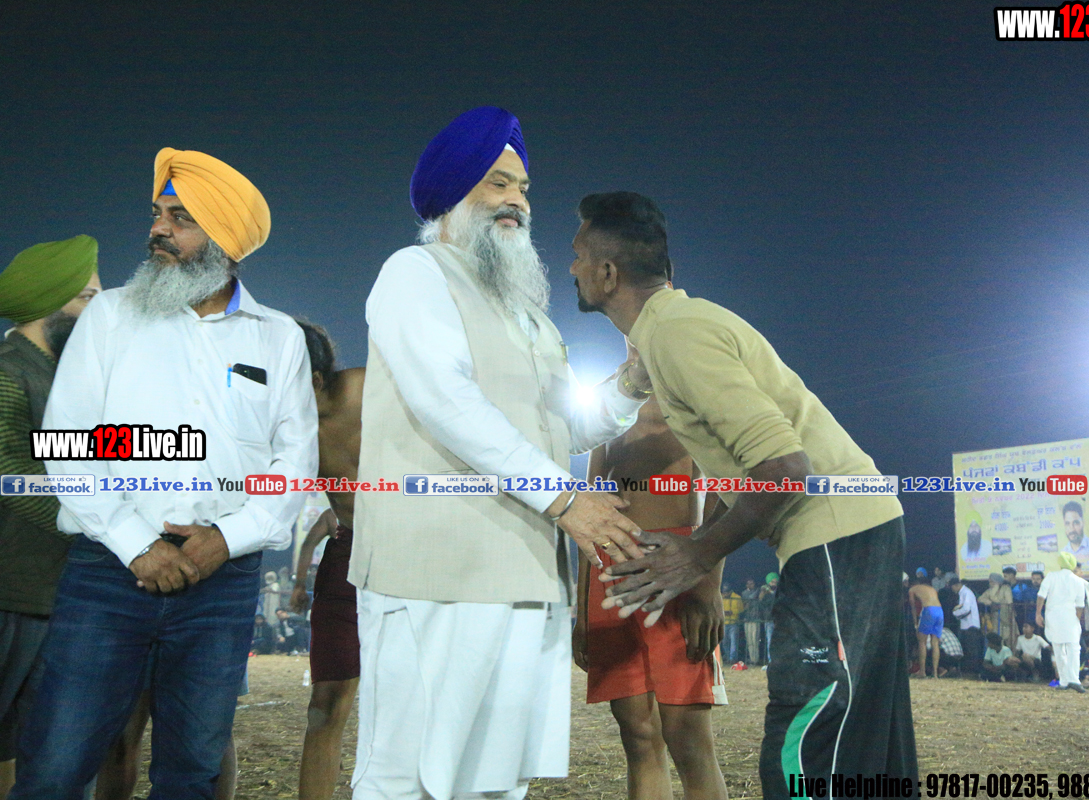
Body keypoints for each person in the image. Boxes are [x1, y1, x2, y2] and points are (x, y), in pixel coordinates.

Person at [349, 107, 650, 800]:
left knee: (496, 784)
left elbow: (559, 429)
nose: (517, 200)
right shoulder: (415, 273)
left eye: (523, 188)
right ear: (452, 194)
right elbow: (444, 401)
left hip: (524, 574)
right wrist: (565, 498)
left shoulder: (527, 314)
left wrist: (629, 387)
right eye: (497, 183)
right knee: (407, 779)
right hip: (433, 574)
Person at [577, 191, 916, 796]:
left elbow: (784, 467)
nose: (570, 267)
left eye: (577, 255)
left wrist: (697, 555)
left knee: (803, 742)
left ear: (607, 273)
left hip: (833, 534)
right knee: (866, 746)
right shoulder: (675, 332)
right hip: (854, 529)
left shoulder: (677, 335)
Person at [11, 148, 318, 800]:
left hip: (222, 584)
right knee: (55, 767)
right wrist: (136, 545)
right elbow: (71, 443)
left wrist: (227, 540)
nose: (158, 230)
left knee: (192, 772)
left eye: (181, 219)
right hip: (108, 574)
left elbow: (293, 466)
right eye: (157, 214)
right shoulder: (111, 316)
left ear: (226, 238)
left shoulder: (276, 337)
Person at [574, 391, 728, 800]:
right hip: (612, 563)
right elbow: (588, 502)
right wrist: (583, 612)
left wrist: (707, 583)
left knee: (688, 736)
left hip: (676, 562)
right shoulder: (611, 393)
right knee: (638, 734)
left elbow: (725, 489)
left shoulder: (692, 384)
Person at [0, 236, 101, 798]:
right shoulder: (8, 372)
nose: (99, 312)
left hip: (59, 593)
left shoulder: (63, 376)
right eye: (87, 298)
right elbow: (9, 471)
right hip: (12, 591)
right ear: (48, 305)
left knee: (48, 747)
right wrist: (95, 522)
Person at [285, 320, 364, 800]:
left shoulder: (371, 389)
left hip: (416, 552)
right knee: (325, 704)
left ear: (316, 378)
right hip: (347, 552)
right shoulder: (283, 427)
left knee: (415, 699)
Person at [1036, 552, 1087, 693]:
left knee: (1058, 649)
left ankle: (1064, 681)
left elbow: (1041, 595)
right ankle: (1074, 680)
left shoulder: (1051, 576)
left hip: (1053, 617)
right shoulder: (1078, 581)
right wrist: (1076, 620)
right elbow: (1080, 605)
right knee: (1074, 649)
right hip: (1070, 617)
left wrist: (1038, 613)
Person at [908, 574, 942, 679]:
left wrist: (915, 622)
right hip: (940, 611)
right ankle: (935, 673)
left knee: (922, 642)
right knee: (935, 643)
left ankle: (922, 671)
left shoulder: (912, 589)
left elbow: (913, 607)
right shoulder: (932, 589)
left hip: (928, 610)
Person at [951, 577, 982, 676]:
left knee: (972, 649)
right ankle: (969, 671)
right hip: (966, 625)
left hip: (970, 625)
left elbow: (966, 609)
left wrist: (955, 613)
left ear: (956, 585)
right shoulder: (963, 593)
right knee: (968, 649)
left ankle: (973, 671)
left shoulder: (966, 593)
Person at [979, 572, 1016, 649]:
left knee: (1010, 641)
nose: (990, 583)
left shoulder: (1006, 588)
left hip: (1007, 618)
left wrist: (993, 595)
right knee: (997, 639)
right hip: (996, 619)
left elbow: (1008, 602)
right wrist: (989, 602)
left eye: (992, 582)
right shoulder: (989, 590)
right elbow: (980, 599)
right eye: (990, 582)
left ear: (997, 582)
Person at [1062, 501, 1089, 571]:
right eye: (1067, 524)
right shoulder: (1063, 553)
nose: (1072, 528)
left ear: (1083, 523)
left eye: (1075, 523)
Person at [759, 573, 779, 665]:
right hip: (769, 619)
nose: (774, 584)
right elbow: (761, 602)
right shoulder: (765, 592)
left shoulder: (780, 591)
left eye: (775, 582)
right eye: (772, 582)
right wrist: (764, 592)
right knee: (770, 640)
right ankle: (771, 660)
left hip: (778, 619)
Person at [740, 578, 762, 665]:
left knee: (755, 640)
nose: (750, 585)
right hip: (747, 618)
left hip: (755, 618)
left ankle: (755, 659)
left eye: (752, 583)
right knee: (749, 641)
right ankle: (752, 658)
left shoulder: (758, 592)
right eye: (748, 583)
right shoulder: (744, 593)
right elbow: (743, 605)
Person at [720, 583, 743, 664]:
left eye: (726, 592)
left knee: (733, 641)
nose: (725, 594)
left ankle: (732, 658)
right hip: (724, 622)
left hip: (734, 622)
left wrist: (732, 612)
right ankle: (727, 656)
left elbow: (741, 609)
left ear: (730, 591)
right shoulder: (721, 597)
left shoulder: (737, 597)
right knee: (724, 642)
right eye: (724, 592)